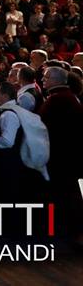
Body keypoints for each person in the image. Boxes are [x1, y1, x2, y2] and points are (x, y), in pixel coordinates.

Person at [0, 81, 48, 236]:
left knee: (6, 195)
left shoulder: (8, 114)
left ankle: (8, 231)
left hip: (7, 163)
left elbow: (7, 142)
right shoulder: (6, 111)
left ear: (5, 95)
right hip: (5, 163)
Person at [36, 67, 83, 240]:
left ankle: (57, 231)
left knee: (59, 196)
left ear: (56, 80)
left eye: (46, 77)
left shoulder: (57, 99)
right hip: (68, 156)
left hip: (61, 158)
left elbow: (43, 126)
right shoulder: (67, 97)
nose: (43, 80)